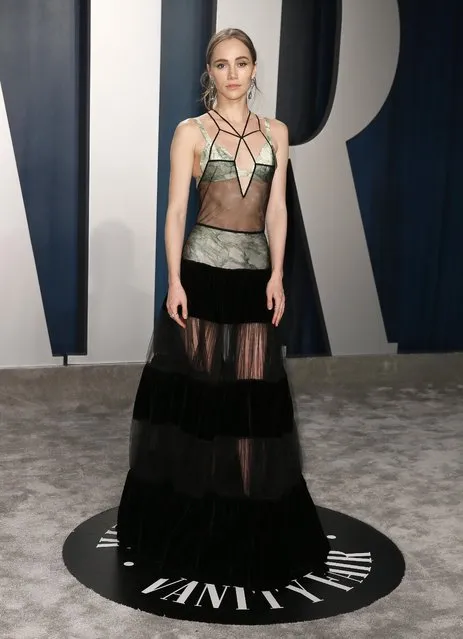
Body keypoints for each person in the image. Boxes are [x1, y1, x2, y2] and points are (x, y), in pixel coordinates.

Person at [117, 27, 331, 590]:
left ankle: (246, 520)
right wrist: (173, 281)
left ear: (255, 70)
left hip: (255, 279)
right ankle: (192, 521)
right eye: (220, 64)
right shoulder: (191, 133)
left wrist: (279, 276)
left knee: (252, 404)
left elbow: (277, 210)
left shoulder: (276, 133)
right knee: (201, 401)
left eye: (241, 63)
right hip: (203, 278)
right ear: (208, 74)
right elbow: (174, 213)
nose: (232, 73)